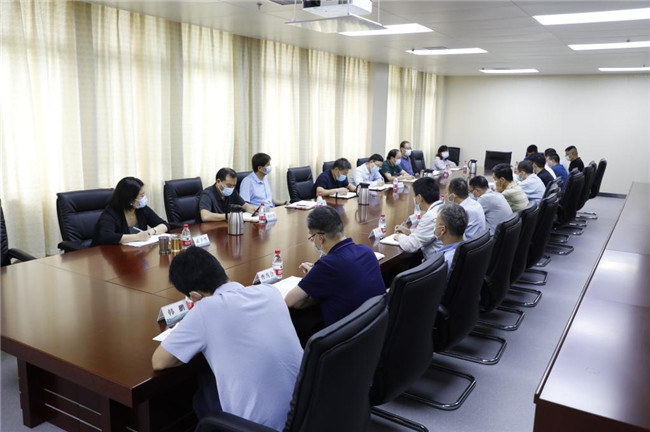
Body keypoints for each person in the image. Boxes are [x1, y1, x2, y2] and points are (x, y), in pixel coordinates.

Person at [151, 247, 303, 430]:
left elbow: (159, 361)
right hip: (306, 413)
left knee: (201, 394)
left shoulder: (205, 310)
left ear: (195, 296)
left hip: (260, 427)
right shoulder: (270, 292)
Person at [285, 206, 385, 329]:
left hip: (347, 336)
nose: (313, 241)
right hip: (376, 329)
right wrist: (316, 274)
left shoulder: (328, 265)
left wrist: (315, 274)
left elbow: (289, 301)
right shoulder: (367, 251)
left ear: (320, 237)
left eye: (312, 237)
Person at [92, 176, 169, 246]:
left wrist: (152, 231)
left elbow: (164, 225)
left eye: (144, 194)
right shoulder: (111, 213)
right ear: (130, 199)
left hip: (135, 252)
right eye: (141, 195)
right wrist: (137, 237)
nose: (144, 198)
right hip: (108, 254)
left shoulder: (142, 209)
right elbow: (106, 237)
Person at [394, 177, 444, 259]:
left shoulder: (430, 216)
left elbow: (411, 245)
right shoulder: (442, 207)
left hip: (435, 262)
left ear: (419, 198)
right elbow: (428, 233)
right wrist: (410, 231)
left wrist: (399, 237)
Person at [432, 203, 467, 274]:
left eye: (435, 222)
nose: (435, 226)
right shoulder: (467, 250)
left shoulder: (444, 263)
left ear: (442, 230)